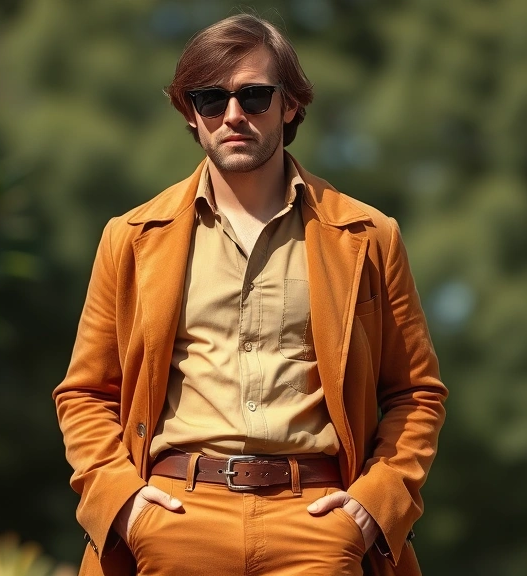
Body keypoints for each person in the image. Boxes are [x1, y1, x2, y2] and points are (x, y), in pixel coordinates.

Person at [53, 13, 446, 576]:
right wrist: (123, 505)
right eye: (211, 99)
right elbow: (85, 393)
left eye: (254, 96)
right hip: (174, 520)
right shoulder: (133, 237)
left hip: (317, 525)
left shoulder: (366, 235)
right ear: (191, 113)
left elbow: (416, 393)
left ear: (289, 105)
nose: (232, 115)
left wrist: (372, 506)